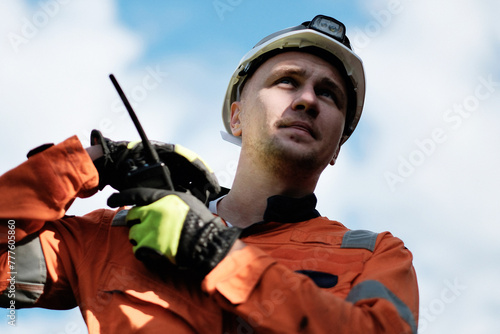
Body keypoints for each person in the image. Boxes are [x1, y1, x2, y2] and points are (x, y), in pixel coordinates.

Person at [0, 14, 419, 333]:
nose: (308, 99)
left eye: (328, 93)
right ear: (237, 117)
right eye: (288, 82)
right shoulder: (119, 233)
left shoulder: (372, 256)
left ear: (336, 151)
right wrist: (89, 162)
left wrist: (216, 255)